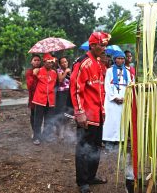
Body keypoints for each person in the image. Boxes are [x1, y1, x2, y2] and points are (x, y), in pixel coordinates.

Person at [70, 32, 110, 193]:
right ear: (92, 45)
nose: (104, 48)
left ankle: (91, 176)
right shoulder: (83, 63)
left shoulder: (99, 63)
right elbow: (76, 89)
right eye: (101, 45)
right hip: (86, 115)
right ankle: (82, 182)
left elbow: (100, 90)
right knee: (83, 148)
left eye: (105, 45)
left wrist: (103, 111)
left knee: (95, 147)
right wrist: (80, 113)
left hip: (98, 114)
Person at [102, 51, 131, 147]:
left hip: (123, 99)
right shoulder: (109, 71)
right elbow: (107, 85)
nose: (121, 60)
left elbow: (130, 86)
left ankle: (120, 139)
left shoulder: (127, 72)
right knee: (110, 119)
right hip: (112, 101)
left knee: (121, 120)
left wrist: (125, 97)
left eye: (122, 58)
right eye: (118, 58)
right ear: (115, 60)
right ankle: (108, 139)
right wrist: (114, 98)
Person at [31, 53, 57, 145]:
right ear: (44, 62)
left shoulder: (54, 73)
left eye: (51, 62)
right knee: (38, 120)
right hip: (39, 99)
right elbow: (33, 76)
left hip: (50, 100)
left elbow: (56, 84)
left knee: (48, 119)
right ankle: (36, 137)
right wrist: (35, 71)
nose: (49, 64)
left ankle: (46, 136)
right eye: (47, 62)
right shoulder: (38, 71)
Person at [25, 54, 41, 137]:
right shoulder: (29, 72)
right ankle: (35, 133)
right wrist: (35, 75)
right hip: (33, 98)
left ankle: (42, 132)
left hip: (43, 98)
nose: (37, 62)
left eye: (38, 60)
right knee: (34, 116)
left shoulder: (43, 70)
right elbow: (30, 86)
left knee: (41, 116)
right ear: (31, 62)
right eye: (35, 60)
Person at [55, 56, 71, 139]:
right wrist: (66, 72)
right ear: (60, 64)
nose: (65, 63)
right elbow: (60, 80)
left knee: (68, 113)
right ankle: (60, 132)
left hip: (69, 93)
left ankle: (65, 131)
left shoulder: (70, 70)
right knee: (61, 112)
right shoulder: (59, 70)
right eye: (63, 62)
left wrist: (69, 73)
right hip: (61, 93)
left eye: (66, 61)